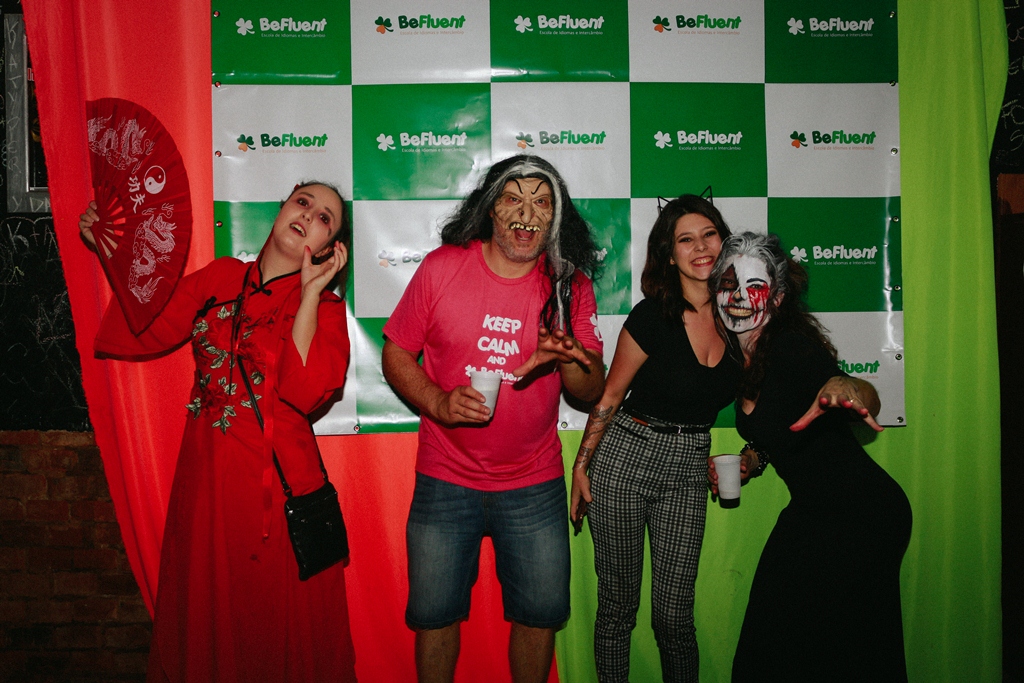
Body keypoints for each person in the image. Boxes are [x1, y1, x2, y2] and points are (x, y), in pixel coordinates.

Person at [79, 182, 357, 682]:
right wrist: (114, 250)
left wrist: (312, 293)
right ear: (281, 208)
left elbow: (303, 391)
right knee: (209, 632)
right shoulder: (221, 276)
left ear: (329, 248)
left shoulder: (328, 311)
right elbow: (151, 322)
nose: (308, 215)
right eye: (303, 202)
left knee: (274, 636)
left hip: (278, 496)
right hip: (207, 489)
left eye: (325, 218)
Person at [381, 154, 605, 683]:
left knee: (539, 616)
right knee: (434, 616)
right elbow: (396, 352)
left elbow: (592, 389)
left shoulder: (568, 286)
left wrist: (569, 355)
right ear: (490, 208)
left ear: (556, 217)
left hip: (534, 482)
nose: (527, 214)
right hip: (445, 476)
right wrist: (438, 402)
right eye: (513, 198)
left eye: (542, 202)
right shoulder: (442, 267)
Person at [707, 232, 911, 682]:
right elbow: (778, 431)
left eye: (754, 287)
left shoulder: (792, 347)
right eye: (728, 283)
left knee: (831, 648)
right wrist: (752, 460)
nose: (737, 297)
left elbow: (859, 394)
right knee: (786, 642)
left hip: (862, 513)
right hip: (817, 511)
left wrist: (847, 388)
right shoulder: (742, 358)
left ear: (777, 299)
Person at [569, 195, 740, 682]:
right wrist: (581, 466)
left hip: (688, 468)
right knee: (618, 608)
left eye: (709, 235)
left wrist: (753, 457)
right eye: (686, 239)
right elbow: (610, 396)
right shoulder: (652, 315)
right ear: (669, 255)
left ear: (724, 243)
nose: (700, 247)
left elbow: (756, 402)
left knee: (674, 619)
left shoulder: (741, 318)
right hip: (626, 459)